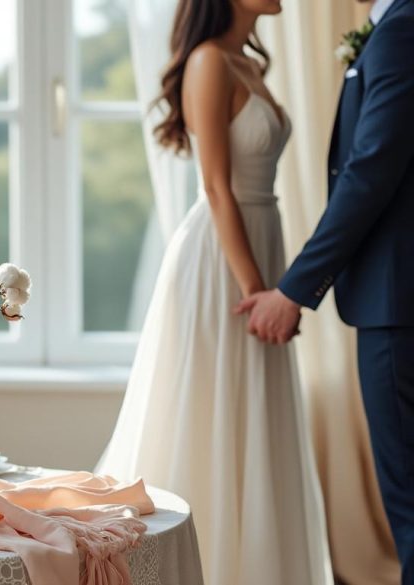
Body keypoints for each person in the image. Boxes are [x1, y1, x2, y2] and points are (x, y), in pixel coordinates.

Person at [94, 0, 332, 583]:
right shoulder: (208, 61)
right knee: (210, 410)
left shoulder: (245, 61)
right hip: (223, 261)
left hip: (260, 239)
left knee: (252, 415)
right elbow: (217, 187)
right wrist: (256, 287)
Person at [238, 0, 414, 581]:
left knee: (409, 504)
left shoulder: (404, 26)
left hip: (399, 302)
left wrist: (294, 289)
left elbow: (371, 169)